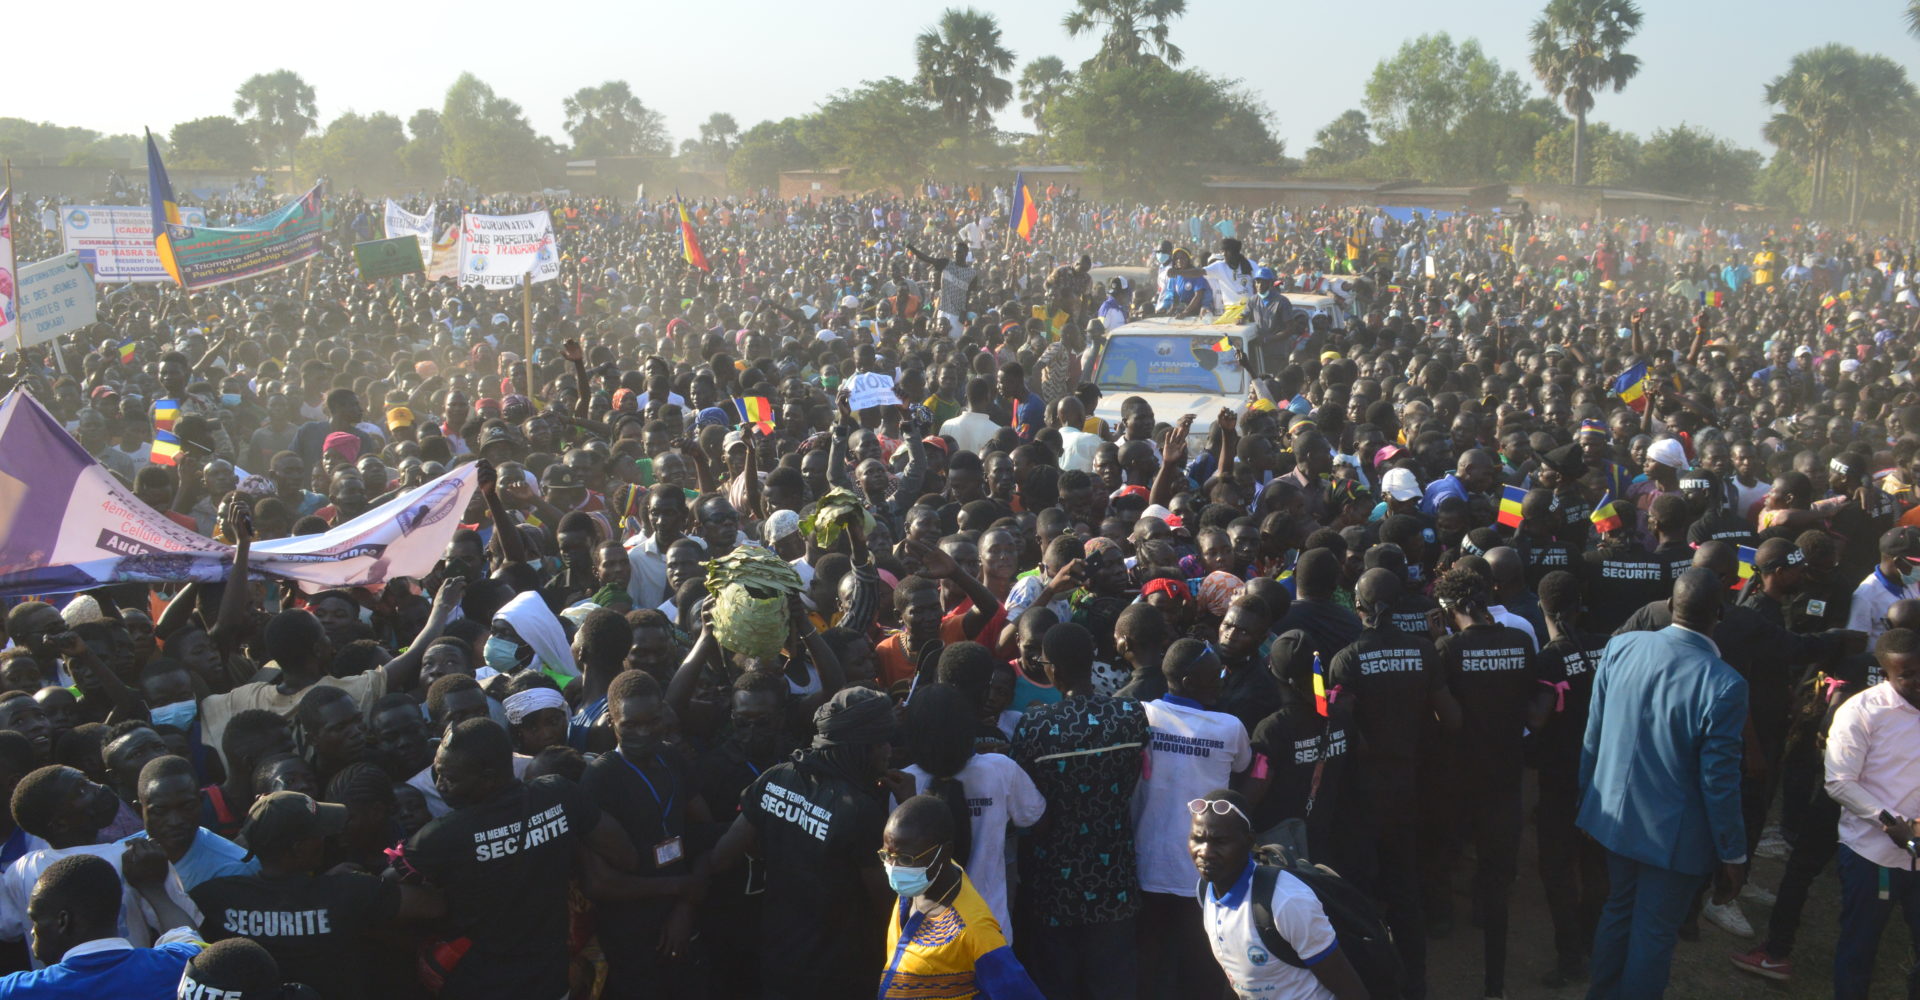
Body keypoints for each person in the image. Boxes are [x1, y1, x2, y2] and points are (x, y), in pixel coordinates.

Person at [1580, 567, 1749, 999]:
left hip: (1612, 818)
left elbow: (1593, 736)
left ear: (1671, 606)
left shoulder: (1620, 646)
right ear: (1720, 614)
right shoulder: (1725, 684)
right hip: (1673, 840)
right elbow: (1720, 781)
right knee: (1653, 934)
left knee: (1618, 911)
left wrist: (1589, 802)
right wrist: (1732, 852)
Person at [403, 719, 637, 1000]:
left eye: (450, 778)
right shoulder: (558, 795)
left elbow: (389, 896)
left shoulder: (440, 837)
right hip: (551, 982)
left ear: (488, 777)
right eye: (437, 774)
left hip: (481, 985)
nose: (441, 785)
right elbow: (624, 855)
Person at [709, 686, 894, 1000]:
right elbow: (888, 906)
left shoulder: (775, 778)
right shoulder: (860, 811)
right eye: (883, 743)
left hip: (776, 958)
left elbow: (721, 858)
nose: (889, 751)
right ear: (861, 747)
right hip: (838, 975)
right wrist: (909, 809)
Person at [1008, 621, 1147, 1000]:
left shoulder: (1035, 726)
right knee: (1113, 982)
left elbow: (1028, 803)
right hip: (1114, 876)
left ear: (1050, 667)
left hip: (1053, 881)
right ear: (1092, 662)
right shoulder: (1130, 715)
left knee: (1057, 982)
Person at [190, 790, 439, 999]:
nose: (325, 837)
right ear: (298, 849)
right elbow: (433, 906)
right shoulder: (348, 892)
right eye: (317, 832)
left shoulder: (214, 897)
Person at [1134, 638, 1252, 999]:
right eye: (1213, 674)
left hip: (1147, 865)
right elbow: (1245, 768)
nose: (1220, 679)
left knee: (1153, 965)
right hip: (1205, 871)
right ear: (1188, 681)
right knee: (1202, 968)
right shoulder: (1229, 727)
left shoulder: (1141, 716)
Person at [1189, 788, 1370, 1000]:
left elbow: (1352, 991)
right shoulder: (1206, 892)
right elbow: (1238, 978)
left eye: (1220, 842)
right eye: (1198, 839)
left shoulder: (1287, 901)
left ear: (1248, 843)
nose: (1205, 852)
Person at [1822, 626, 1920, 1000]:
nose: (1916, 681)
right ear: (1886, 672)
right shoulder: (1862, 712)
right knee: (1860, 948)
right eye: (1905, 675)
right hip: (1873, 855)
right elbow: (1839, 782)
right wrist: (1891, 823)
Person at [875, 795, 1045, 999]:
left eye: (905, 859)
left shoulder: (975, 930)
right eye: (886, 855)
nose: (894, 868)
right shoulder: (923, 880)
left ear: (944, 853)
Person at [0, 851, 200, 999]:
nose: (33, 931)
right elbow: (185, 934)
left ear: (63, 921)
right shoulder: (178, 965)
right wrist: (153, 888)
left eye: (35, 919)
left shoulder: (15, 991)